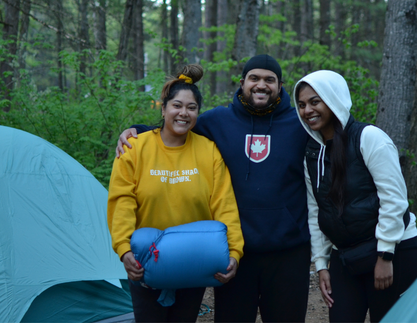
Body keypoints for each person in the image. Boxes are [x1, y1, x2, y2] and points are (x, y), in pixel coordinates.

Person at [118, 54, 311, 323]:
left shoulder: (300, 125)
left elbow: (330, 140)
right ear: (242, 82)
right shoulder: (218, 121)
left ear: (280, 86)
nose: (261, 85)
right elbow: (175, 128)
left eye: (270, 79)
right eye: (254, 78)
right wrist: (136, 131)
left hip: (288, 252)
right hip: (237, 256)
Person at [108, 64, 244, 323]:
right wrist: (124, 248)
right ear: (163, 108)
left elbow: (224, 204)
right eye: (177, 106)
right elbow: (121, 200)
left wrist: (235, 252)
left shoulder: (208, 151)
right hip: (145, 261)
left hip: (194, 261)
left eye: (191, 108)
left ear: (198, 114)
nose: (184, 113)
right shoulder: (135, 148)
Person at [293, 70, 417, 323]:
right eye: (301, 105)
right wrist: (321, 263)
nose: (307, 110)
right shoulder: (311, 153)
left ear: (333, 99)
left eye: (314, 101)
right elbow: (316, 209)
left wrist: (385, 255)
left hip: (393, 250)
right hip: (347, 255)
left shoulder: (369, 138)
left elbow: (394, 199)